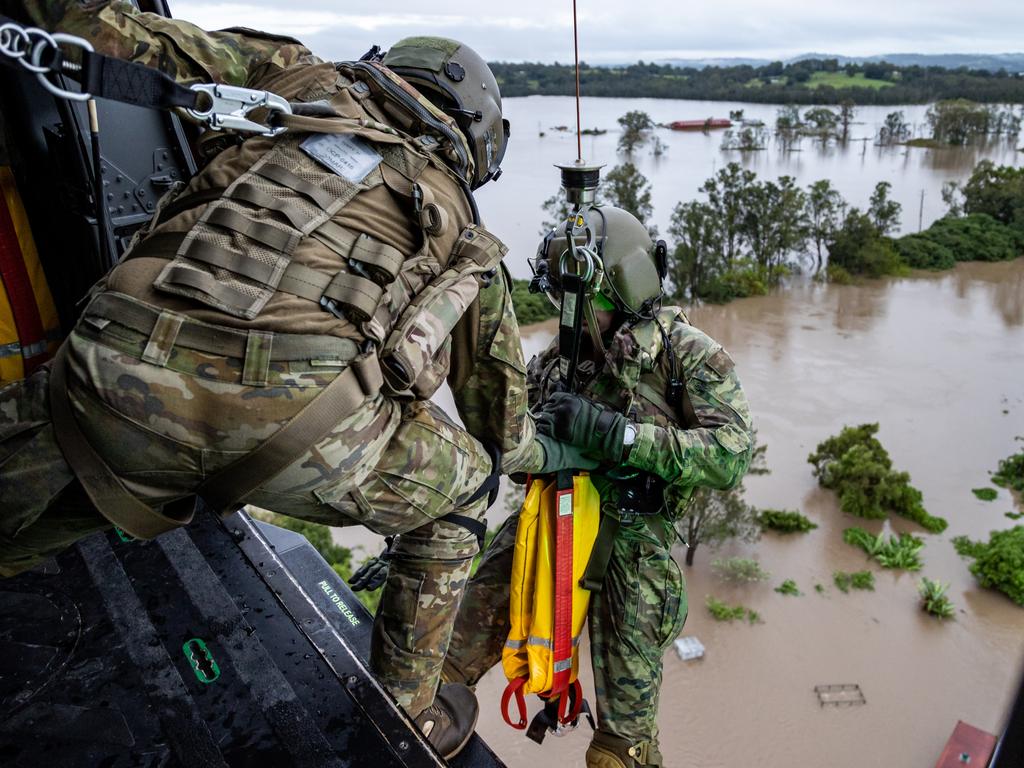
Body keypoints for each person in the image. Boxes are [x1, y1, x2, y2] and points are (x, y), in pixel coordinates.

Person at [0, 3, 588, 757]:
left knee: (75, 453)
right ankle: (404, 721)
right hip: (296, 437)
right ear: (475, 139)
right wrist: (554, 452)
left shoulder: (295, 82)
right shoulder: (467, 238)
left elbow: (120, 36)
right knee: (466, 493)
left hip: (114, 381)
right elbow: (502, 434)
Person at [443, 206, 756, 767]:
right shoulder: (560, 363)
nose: (572, 314)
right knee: (444, 659)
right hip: (552, 521)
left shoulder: (688, 356)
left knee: (622, 749)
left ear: (626, 287)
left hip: (634, 550)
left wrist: (620, 436)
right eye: (564, 298)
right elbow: (518, 454)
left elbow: (731, 457)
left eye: (583, 299)